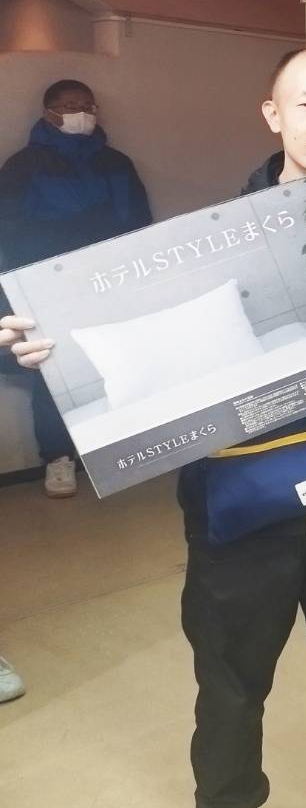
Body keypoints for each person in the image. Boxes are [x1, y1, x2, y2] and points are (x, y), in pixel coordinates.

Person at [1, 48, 306, 808]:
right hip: (237, 500)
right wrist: (49, 345)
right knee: (230, 677)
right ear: (273, 114)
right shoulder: (214, 241)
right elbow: (141, 338)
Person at [0, 79, 151, 498]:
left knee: (119, 362)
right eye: (69, 106)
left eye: (87, 105)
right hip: (47, 288)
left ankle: (122, 451)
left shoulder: (116, 163)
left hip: (111, 282)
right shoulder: (23, 165)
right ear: (48, 112)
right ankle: (58, 458)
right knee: (54, 371)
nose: (80, 113)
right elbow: (8, 231)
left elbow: (140, 223)